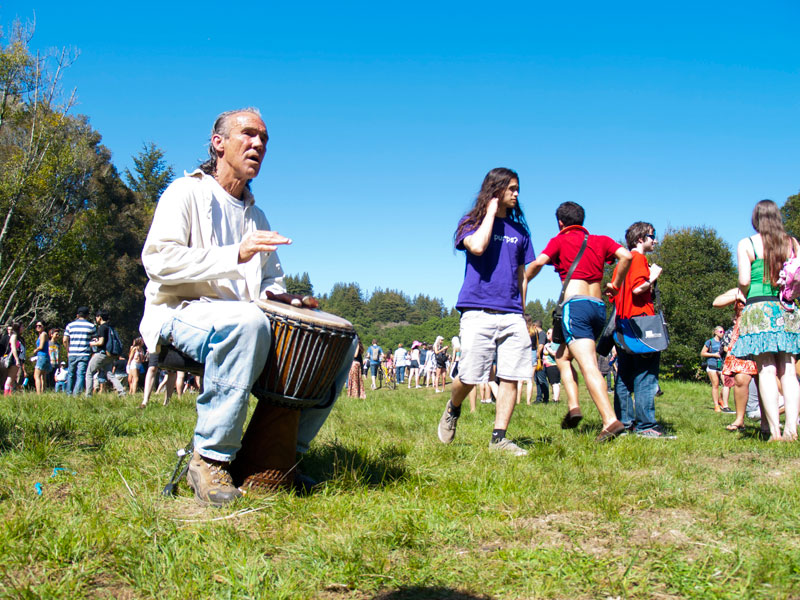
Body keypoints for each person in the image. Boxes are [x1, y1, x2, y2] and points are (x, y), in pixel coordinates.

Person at [140, 108, 355, 506]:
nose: (258, 145)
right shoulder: (184, 192)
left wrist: (285, 299)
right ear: (218, 143)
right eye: (249, 135)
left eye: (265, 140)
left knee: (341, 342)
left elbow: (270, 282)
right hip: (179, 314)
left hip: (244, 319)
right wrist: (234, 254)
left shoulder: (257, 215)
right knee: (247, 322)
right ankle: (211, 459)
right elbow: (158, 261)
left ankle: (280, 458)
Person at [437, 167, 534, 456]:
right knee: (469, 375)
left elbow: (522, 276)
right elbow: (478, 247)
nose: (517, 194)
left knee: (511, 375)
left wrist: (522, 312)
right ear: (495, 190)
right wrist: (490, 213)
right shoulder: (470, 223)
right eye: (511, 189)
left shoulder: (521, 232)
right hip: (477, 309)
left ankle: (499, 438)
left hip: (512, 313)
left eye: (518, 189)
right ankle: (453, 407)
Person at [526, 201, 632, 442]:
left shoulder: (559, 240)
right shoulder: (601, 240)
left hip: (575, 306)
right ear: (582, 220)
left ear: (560, 223)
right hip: (597, 307)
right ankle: (573, 406)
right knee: (562, 355)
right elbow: (625, 256)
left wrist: (522, 279)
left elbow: (539, 262)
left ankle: (609, 420)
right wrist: (615, 285)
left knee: (588, 365)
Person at [731, 199, 800, 442]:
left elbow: (744, 280)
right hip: (786, 307)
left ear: (756, 218)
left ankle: (775, 432)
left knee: (767, 369)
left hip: (759, 306)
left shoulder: (747, 243)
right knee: (789, 370)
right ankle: (792, 429)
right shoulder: (792, 243)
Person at [611, 222, 672, 438]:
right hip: (642, 327)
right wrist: (653, 275)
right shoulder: (638, 259)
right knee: (645, 377)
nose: (655, 240)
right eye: (652, 236)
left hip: (625, 326)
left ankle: (624, 424)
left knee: (625, 377)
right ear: (640, 239)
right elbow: (638, 288)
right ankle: (646, 426)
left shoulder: (622, 261)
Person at [713, 288, 758, 432]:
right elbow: (716, 302)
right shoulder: (741, 289)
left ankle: (768, 422)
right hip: (742, 337)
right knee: (740, 379)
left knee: (764, 378)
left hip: (762, 333)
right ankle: (740, 419)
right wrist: (737, 295)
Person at [63, 306, 96, 395]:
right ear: (87, 316)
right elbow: (94, 341)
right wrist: (93, 352)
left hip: (72, 353)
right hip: (84, 353)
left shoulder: (70, 325)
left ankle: (69, 393)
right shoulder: (91, 326)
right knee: (81, 374)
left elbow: (65, 340)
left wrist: (68, 350)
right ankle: (76, 393)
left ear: (77, 315)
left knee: (70, 374)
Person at [86, 310, 114, 396]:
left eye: (96, 317)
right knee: (110, 374)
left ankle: (88, 395)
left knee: (89, 373)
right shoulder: (110, 327)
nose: (96, 318)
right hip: (109, 354)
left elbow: (101, 342)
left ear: (100, 317)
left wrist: (91, 343)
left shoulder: (102, 327)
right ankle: (121, 392)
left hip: (101, 353)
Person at [701, 326, 728, 412]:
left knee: (726, 384)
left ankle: (720, 399)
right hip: (712, 365)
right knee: (715, 385)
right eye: (721, 332)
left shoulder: (724, 342)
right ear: (715, 332)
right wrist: (713, 355)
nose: (722, 333)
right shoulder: (710, 342)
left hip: (721, 365)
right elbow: (703, 353)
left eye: (723, 332)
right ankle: (716, 405)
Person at [30, 320, 52, 394]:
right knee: (42, 376)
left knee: (37, 375)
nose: (38, 327)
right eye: (36, 326)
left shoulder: (43, 334)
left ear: (43, 326)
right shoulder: (41, 334)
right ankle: (43, 392)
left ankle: (39, 393)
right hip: (44, 356)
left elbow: (41, 346)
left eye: (40, 326)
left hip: (42, 356)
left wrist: (35, 350)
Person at [3, 322, 23, 395]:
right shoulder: (14, 336)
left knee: (13, 378)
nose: (23, 328)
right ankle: (6, 394)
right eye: (22, 326)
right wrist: (17, 359)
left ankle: (10, 394)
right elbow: (13, 348)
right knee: (10, 378)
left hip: (16, 358)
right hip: (13, 359)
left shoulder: (18, 337)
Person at [542, 329, 561, 402]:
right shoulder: (550, 343)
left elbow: (554, 354)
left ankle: (555, 399)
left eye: (549, 333)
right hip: (549, 366)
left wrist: (547, 348)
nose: (547, 334)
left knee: (555, 383)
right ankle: (555, 398)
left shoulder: (555, 344)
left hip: (553, 365)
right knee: (554, 383)